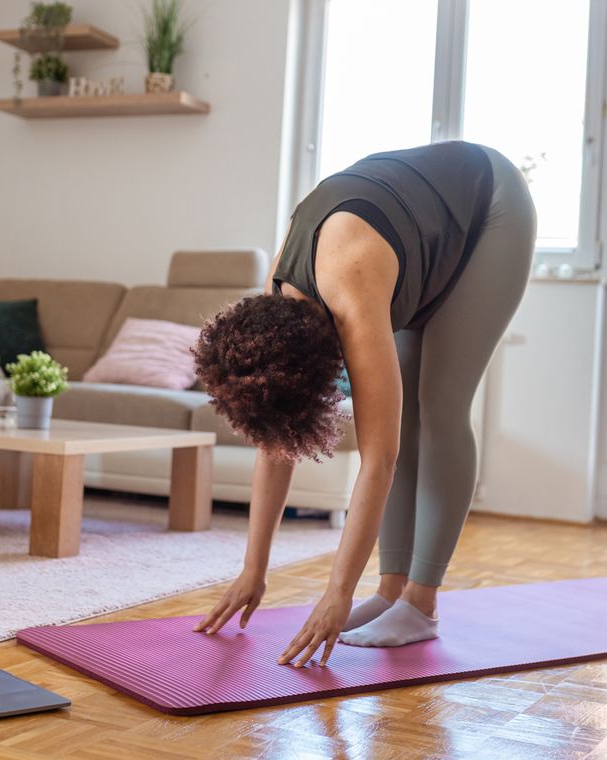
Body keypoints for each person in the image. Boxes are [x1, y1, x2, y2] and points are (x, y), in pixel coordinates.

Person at [191, 140, 536, 667]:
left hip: (488, 209)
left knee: (438, 406)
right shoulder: (276, 295)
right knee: (416, 404)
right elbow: (274, 444)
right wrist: (253, 570)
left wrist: (337, 591)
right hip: (409, 232)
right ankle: (390, 591)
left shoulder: (351, 291)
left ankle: (420, 605)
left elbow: (380, 457)